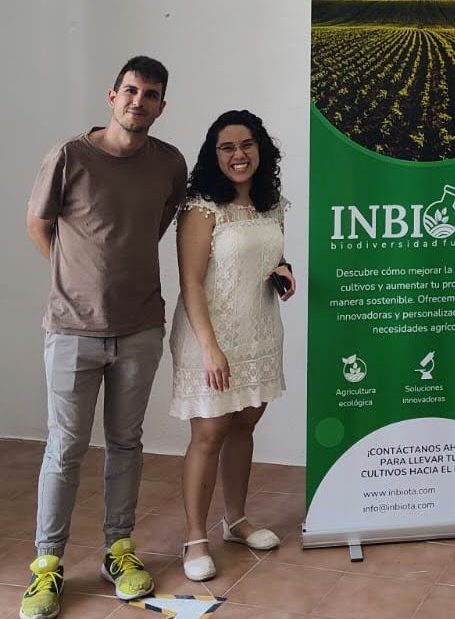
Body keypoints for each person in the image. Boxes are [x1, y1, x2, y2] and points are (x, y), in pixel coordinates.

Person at [22, 56, 187, 619]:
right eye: (131, 91)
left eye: (151, 95)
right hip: (72, 332)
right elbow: (38, 224)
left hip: (140, 329)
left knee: (125, 444)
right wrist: (76, 281)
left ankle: (119, 550)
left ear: (161, 106)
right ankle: (47, 565)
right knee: (65, 447)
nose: (140, 101)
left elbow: (159, 220)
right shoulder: (69, 156)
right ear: (113, 96)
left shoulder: (169, 163)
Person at [169, 110, 295, 581]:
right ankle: (195, 538)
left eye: (247, 145)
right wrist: (209, 347)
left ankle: (236, 521)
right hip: (210, 336)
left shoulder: (271, 203)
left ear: (261, 149)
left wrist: (283, 271)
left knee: (244, 425)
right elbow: (190, 282)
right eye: (227, 147)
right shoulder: (201, 207)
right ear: (214, 154)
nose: (238, 155)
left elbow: (267, 254)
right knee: (208, 435)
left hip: (259, 331)